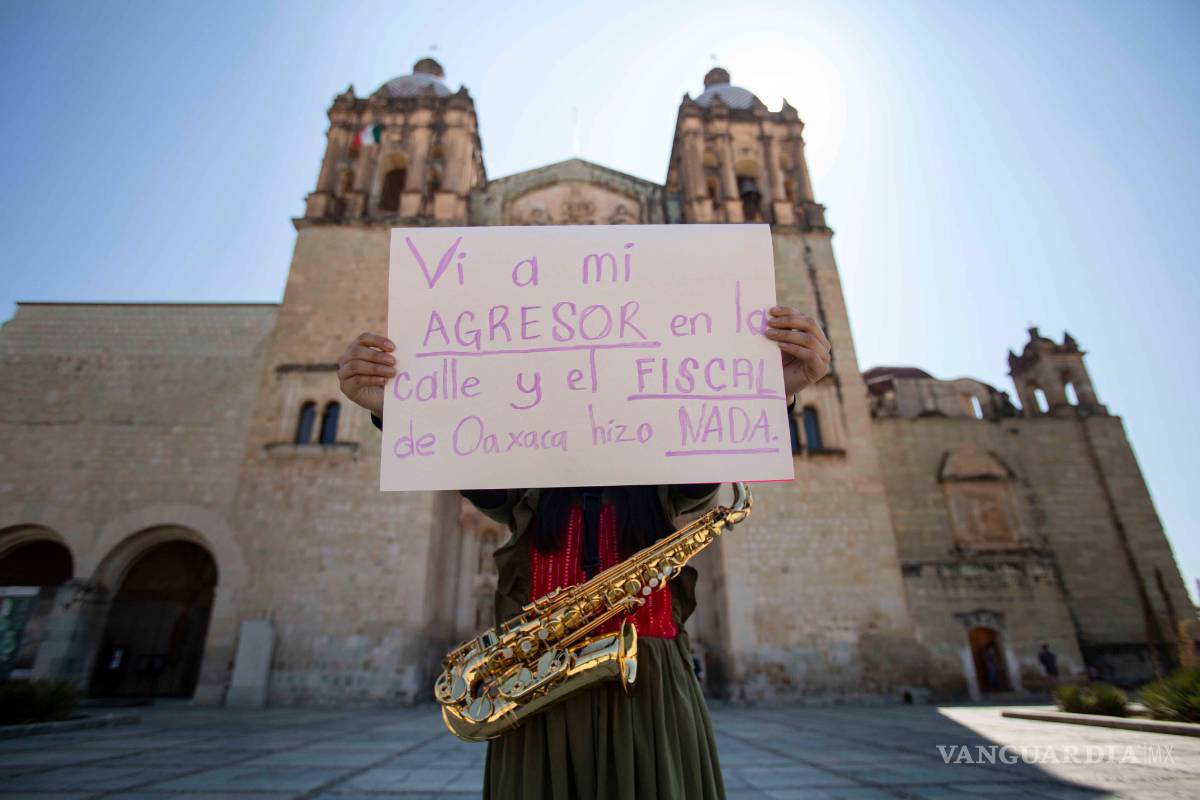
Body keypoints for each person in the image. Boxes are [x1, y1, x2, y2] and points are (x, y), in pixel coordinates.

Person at [338, 306, 831, 800]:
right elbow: (468, 468)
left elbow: (708, 461)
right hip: (538, 689)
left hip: (650, 688)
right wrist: (393, 408)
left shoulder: (663, 470)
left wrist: (774, 392)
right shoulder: (529, 476)